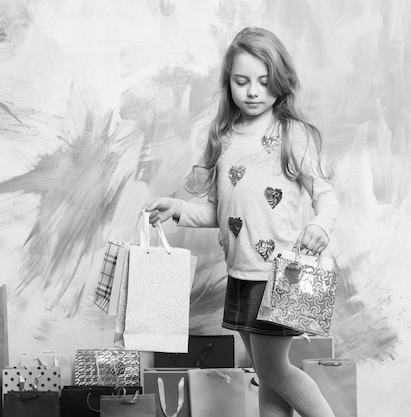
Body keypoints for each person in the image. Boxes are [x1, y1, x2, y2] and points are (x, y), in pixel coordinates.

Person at [144, 27, 338, 417]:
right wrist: (178, 209)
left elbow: (325, 193)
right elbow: (220, 212)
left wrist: (321, 225)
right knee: (267, 376)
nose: (253, 92)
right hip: (241, 274)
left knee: (276, 371)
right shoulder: (223, 137)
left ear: (280, 82)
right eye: (242, 81)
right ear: (228, 81)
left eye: (264, 82)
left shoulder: (290, 134)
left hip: (278, 277)